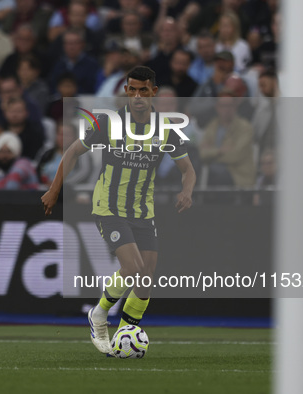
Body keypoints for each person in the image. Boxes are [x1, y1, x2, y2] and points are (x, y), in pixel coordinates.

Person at [41, 66, 195, 355]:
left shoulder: (166, 130)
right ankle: (99, 315)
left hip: (142, 211)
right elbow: (73, 151)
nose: (137, 96)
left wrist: (187, 191)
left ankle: (126, 335)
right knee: (134, 268)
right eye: (132, 90)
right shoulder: (108, 124)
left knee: (146, 279)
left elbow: (188, 169)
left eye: (143, 90)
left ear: (154, 93)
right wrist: (54, 189)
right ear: (126, 92)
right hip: (108, 207)